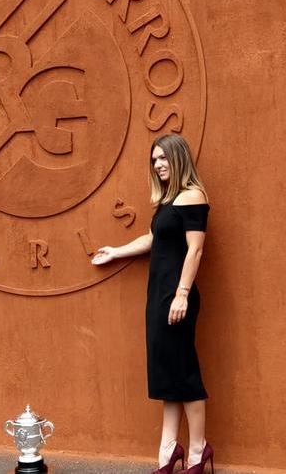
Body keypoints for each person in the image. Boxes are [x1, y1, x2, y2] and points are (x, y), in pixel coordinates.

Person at [91, 133, 214, 474]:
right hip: (158, 296)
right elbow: (152, 238)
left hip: (177, 297)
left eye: (163, 158)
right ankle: (167, 452)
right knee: (166, 373)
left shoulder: (193, 196)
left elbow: (196, 249)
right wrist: (116, 251)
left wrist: (182, 294)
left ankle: (197, 453)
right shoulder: (168, 202)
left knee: (185, 372)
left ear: (178, 159)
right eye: (154, 159)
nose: (158, 164)